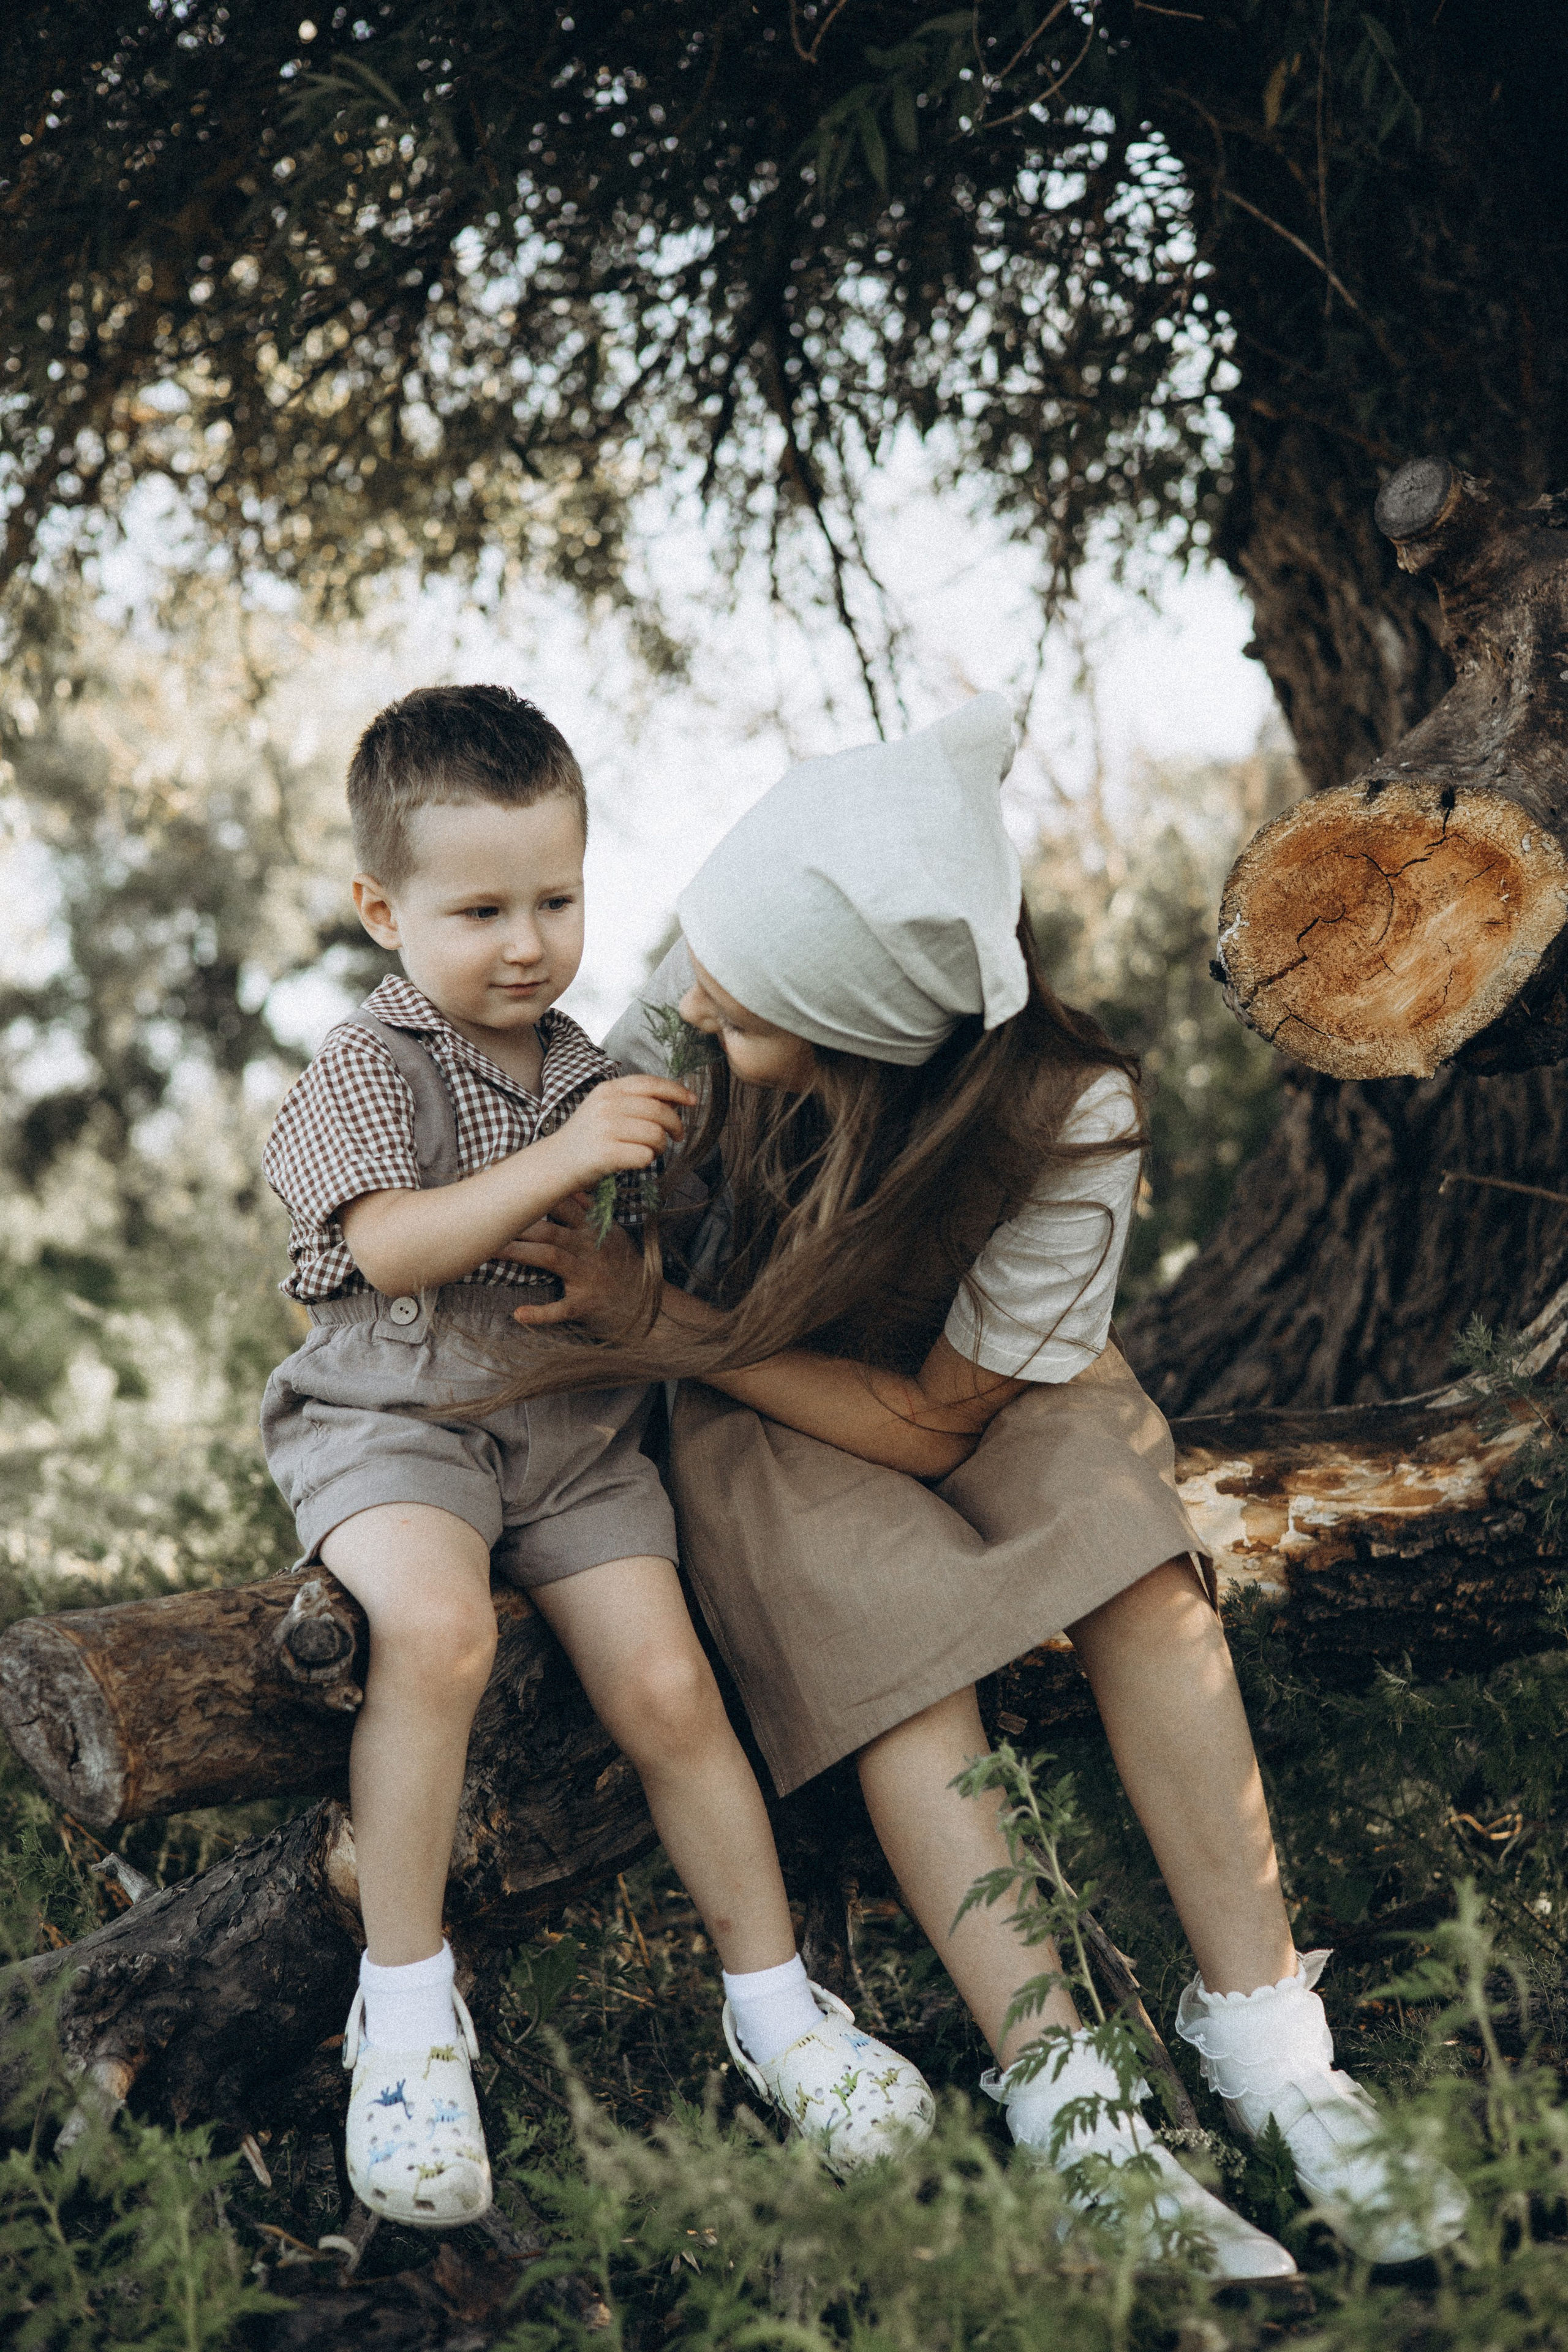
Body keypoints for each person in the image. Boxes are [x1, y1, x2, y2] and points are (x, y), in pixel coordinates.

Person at [500, 693, 1468, 2277]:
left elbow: (944, 1422)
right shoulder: (677, 1055)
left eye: (741, 1010)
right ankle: (1070, 2097)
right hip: (744, 1388)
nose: (690, 1004)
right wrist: (647, 1323)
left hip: (953, 1381)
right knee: (903, 1645)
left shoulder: (1065, 1113)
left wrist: (677, 1325)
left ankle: (1270, 2045)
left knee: (1142, 1578)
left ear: (869, 1031)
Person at [260, 685, 933, 2230]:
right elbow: (388, 1248)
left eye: (556, 899)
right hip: (397, 1422)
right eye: (479, 907)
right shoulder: (369, 1063)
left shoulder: (589, 1060)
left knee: (669, 1689)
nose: (525, 940)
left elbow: (640, 1236)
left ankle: (775, 2010)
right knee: (434, 1636)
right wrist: (563, 1159)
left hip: (569, 1434)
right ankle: (409, 2013)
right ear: (381, 908)